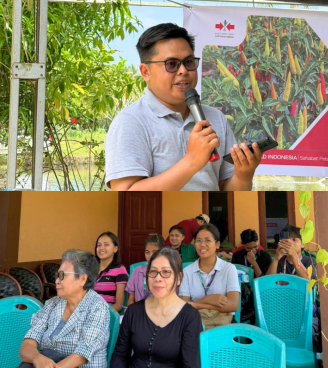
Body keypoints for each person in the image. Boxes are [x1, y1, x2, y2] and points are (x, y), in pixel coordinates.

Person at [105, 23, 262, 192]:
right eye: (171, 64)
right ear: (145, 72)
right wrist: (191, 161)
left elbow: (226, 190)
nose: (183, 71)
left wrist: (243, 175)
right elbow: (125, 195)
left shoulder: (215, 117)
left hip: (206, 217)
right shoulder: (131, 122)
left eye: (188, 62)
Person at [0, 249, 111, 368]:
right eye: (57, 275)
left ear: (82, 279)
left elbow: (79, 358)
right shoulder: (52, 304)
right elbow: (26, 347)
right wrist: (38, 359)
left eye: (63, 275)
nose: (56, 280)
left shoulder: (97, 308)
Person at [102, 247, 201, 368]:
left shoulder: (189, 317)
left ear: (178, 278)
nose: (158, 279)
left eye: (165, 273)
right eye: (153, 272)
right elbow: (119, 356)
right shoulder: (133, 311)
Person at [178, 223, 240, 329]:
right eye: (198, 240)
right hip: (196, 321)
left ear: (217, 244)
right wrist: (209, 299)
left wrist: (196, 304)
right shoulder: (188, 271)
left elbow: (233, 305)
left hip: (223, 322)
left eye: (207, 240)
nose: (202, 244)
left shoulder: (229, 269)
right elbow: (183, 305)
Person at [126, 234, 165, 304]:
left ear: (162, 252)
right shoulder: (137, 271)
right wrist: (130, 310)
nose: (150, 256)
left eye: (154, 252)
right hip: (139, 311)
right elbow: (130, 299)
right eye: (147, 252)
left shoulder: (166, 273)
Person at [94, 232, 129, 310]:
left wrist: (100, 314)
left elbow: (119, 305)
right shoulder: (91, 269)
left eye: (106, 244)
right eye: (99, 245)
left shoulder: (120, 270)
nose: (101, 248)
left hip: (107, 311)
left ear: (115, 248)